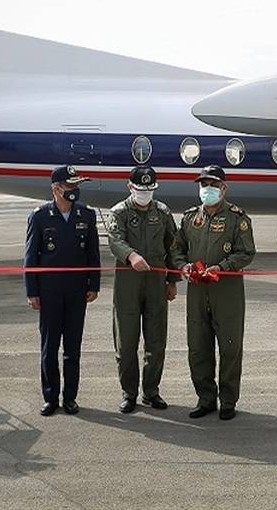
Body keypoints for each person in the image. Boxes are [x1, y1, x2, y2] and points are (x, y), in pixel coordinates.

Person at [172, 165, 255, 421]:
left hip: (226, 291)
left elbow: (246, 252)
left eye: (213, 185)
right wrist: (182, 265)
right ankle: (205, 398)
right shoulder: (189, 218)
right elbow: (177, 249)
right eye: (203, 184)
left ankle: (228, 400)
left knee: (230, 347)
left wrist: (224, 266)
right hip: (197, 292)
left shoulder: (236, 218)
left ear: (224, 188)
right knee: (198, 346)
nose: (207, 189)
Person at [24, 165, 101, 416]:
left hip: (77, 292)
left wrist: (94, 284)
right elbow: (30, 258)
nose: (75, 190)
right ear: (56, 188)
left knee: (72, 348)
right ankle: (50, 397)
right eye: (70, 186)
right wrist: (32, 292)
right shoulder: (40, 217)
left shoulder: (86, 215)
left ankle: (70, 397)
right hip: (49, 293)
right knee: (49, 347)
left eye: (77, 186)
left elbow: (93, 254)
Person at [105, 166, 179, 413]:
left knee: (156, 340)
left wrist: (172, 281)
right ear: (130, 187)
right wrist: (131, 255)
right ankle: (129, 393)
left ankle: (151, 391)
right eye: (140, 189)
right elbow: (115, 240)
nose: (145, 194)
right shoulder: (119, 212)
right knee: (126, 341)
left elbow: (174, 247)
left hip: (156, 282)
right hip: (129, 281)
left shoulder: (162, 212)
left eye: (149, 190)